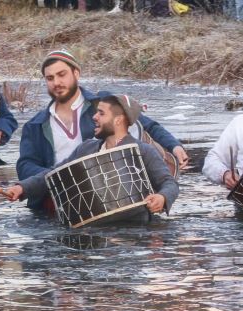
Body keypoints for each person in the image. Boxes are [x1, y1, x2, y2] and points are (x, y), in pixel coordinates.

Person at [16, 50, 186, 213]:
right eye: (50, 78)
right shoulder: (35, 124)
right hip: (57, 202)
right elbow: (25, 166)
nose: (56, 83)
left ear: (76, 73)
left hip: (115, 193)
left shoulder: (104, 103)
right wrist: (62, 178)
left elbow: (148, 126)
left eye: (62, 74)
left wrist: (174, 146)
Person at [4, 94, 177, 223]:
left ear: (118, 120)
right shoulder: (86, 148)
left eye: (101, 113)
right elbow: (53, 174)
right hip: (91, 230)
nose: (94, 117)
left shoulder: (143, 151)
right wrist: (22, 188)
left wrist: (162, 198)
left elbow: (169, 183)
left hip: (135, 233)